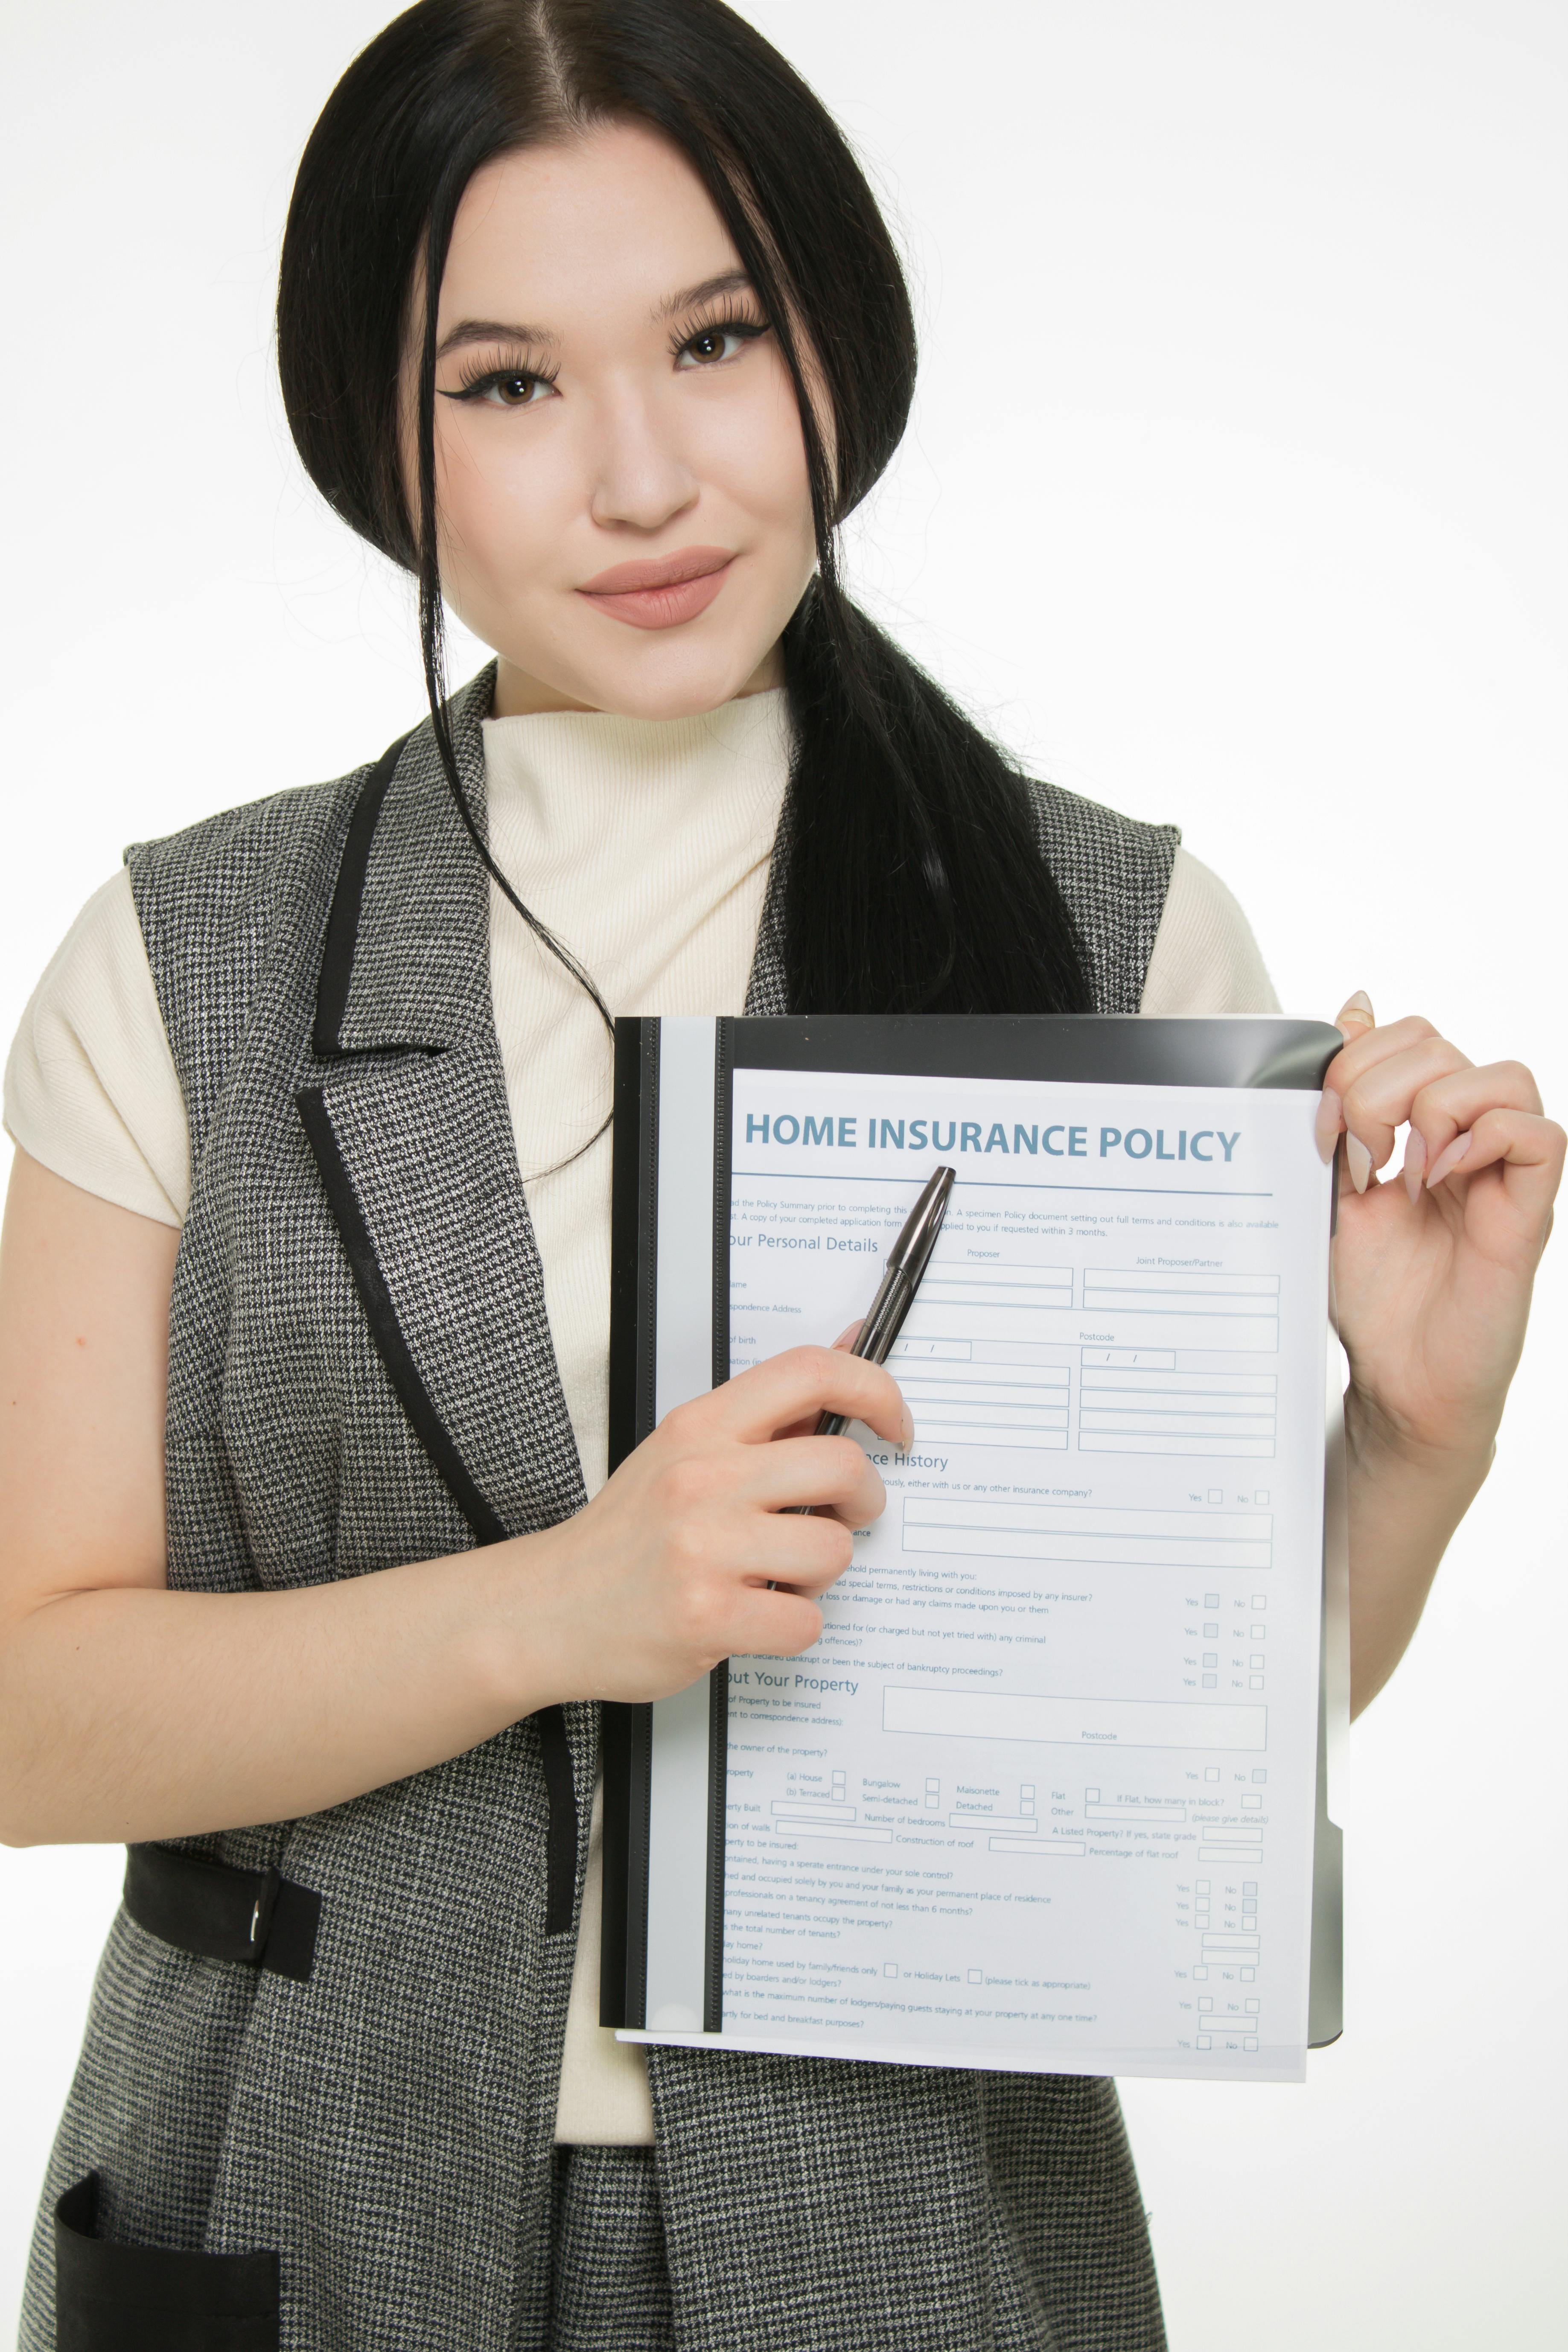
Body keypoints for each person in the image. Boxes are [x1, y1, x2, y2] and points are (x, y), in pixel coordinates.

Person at [0, 3, 1559, 2346]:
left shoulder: (1121, 942)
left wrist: (1420, 1437)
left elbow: (1151, 1750)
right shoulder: (182, 960)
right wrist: (569, 1602)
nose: (643, 477)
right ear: (377, 440)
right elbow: (26, 1710)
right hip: (299, 2200)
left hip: (911, 2225)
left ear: (833, 338)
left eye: (714, 338)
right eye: (507, 382)